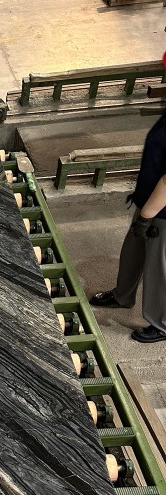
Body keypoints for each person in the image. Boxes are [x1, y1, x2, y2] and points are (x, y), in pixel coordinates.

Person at [90, 110, 166, 343]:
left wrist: (146, 217)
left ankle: (161, 324)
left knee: (159, 267)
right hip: (148, 201)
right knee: (132, 253)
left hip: (162, 211)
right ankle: (122, 295)